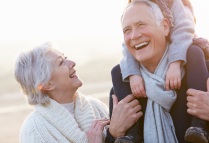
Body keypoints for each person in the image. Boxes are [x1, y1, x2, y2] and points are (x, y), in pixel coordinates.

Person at [108, 0, 209, 143]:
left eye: (141, 25)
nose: (134, 35)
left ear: (165, 26)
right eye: (127, 30)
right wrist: (113, 134)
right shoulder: (122, 91)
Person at [113, 0, 209, 143]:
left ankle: (201, 123)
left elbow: (185, 28)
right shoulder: (131, 10)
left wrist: (175, 63)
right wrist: (134, 74)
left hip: (181, 47)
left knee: (194, 52)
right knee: (118, 71)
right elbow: (128, 45)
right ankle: (133, 132)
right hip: (152, 60)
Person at [14, 42, 143, 143]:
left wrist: (114, 134)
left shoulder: (96, 106)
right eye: (61, 62)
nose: (72, 63)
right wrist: (113, 133)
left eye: (66, 58)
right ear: (46, 84)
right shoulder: (34, 129)